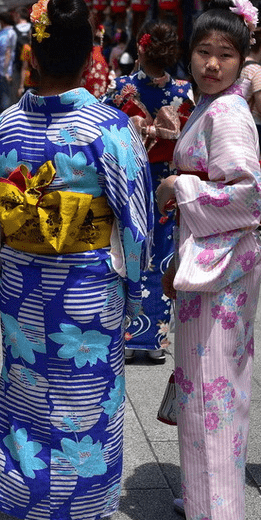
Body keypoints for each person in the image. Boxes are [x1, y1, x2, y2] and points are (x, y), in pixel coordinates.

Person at [0, 0, 152, 520]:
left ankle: (37, 510)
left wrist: (2, 284)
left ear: (32, 54)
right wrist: (131, 288)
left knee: (31, 395)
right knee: (81, 399)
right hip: (86, 289)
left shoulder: (4, 127)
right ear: (90, 57)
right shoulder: (108, 128)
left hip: (26, 284)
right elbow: (135, 220)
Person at [155, 0, 261, 520]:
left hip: (221, 266)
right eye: (203, 51)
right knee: (204, 380)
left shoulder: (226, 113)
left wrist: (182, 188)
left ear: (241, 60)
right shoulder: (210, 106)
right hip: (210, 259)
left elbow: (247, 197)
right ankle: (206, 497)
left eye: (225, 54)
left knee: (215, 383)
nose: (212, 64)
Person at [105, 22, 194, 362]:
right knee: (164, 255)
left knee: (131, 252)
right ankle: (155, 339)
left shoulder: (120, 90)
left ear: (140, 50)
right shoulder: (187, 93)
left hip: (131, 181)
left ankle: (126, 333)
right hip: (170, 185)